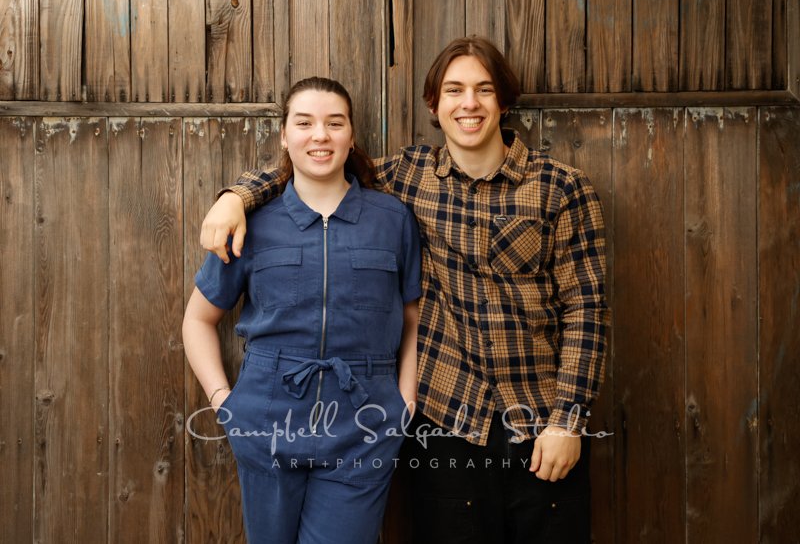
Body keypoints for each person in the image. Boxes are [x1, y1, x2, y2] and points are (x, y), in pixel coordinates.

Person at [200, 36, 609, 543]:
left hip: (539, 421)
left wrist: (568, 420)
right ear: (434, 105)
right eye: (454, 90)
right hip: (446, 422)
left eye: (483, 90)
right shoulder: (408, 177)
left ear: (503, 101)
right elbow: (314, 164)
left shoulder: (561, 187)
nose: (469, 103)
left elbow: (587, 311)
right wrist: (236, 196)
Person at [183, 76, 421, 544]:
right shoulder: (250, 223)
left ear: (351, 137)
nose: (320, 135)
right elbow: (198, 319)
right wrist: (224, 404)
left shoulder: (391, 219)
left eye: (335, 123)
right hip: (266, 416)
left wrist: (403, 402)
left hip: (364, 421)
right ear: (285, 136)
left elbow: (411, 319)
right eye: (305, 123)